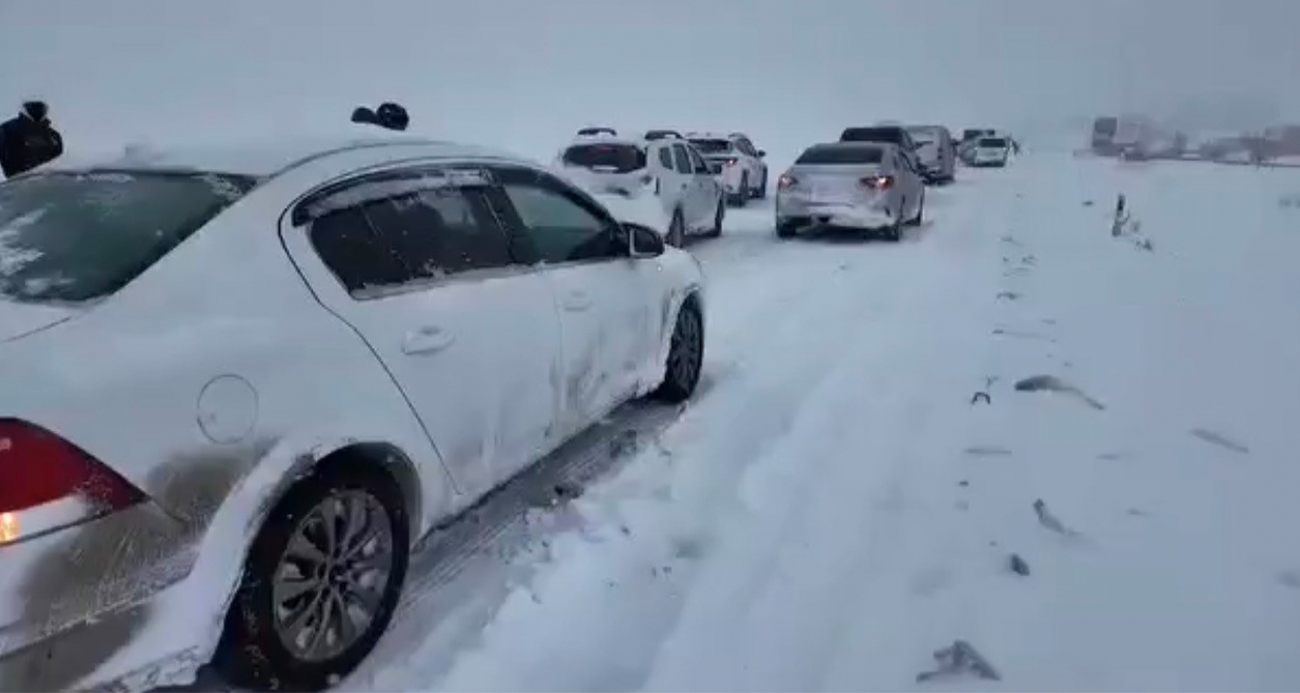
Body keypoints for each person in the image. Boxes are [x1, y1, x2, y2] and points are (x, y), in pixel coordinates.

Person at [0, 101, 64, 179]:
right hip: (19, 180)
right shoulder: (7, 129)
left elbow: (59, 160)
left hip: (49, 180)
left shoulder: (53, 136)